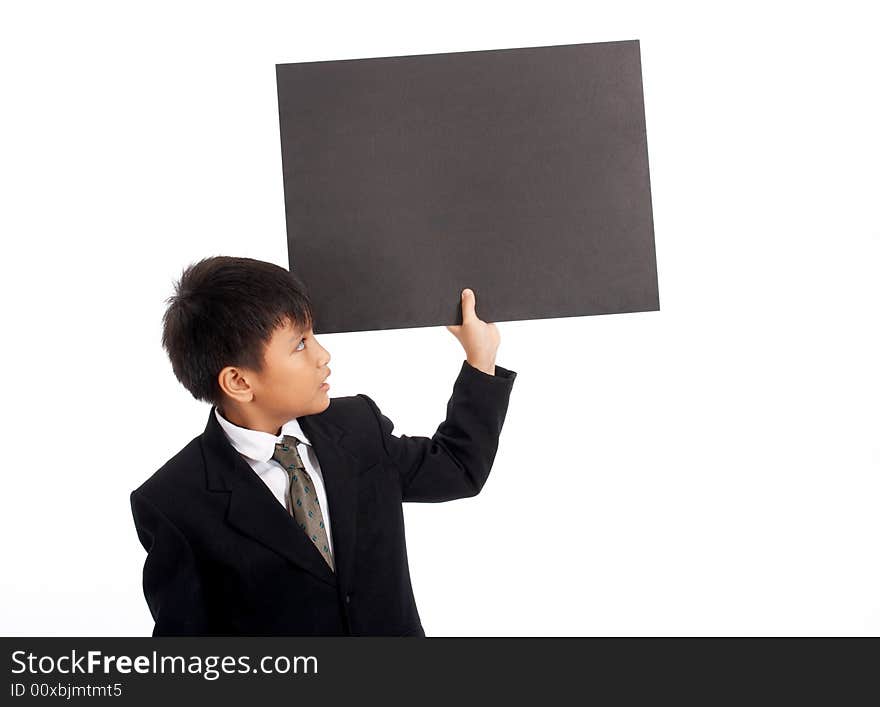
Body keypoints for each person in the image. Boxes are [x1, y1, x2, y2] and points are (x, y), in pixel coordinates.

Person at [130, 255, 517, 636]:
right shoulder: (174, 502)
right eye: (299, 344)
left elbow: (456, 469)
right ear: (238, 382)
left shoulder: (357, 427)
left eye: (313, 334)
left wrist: (480, 360)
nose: (323, 356)